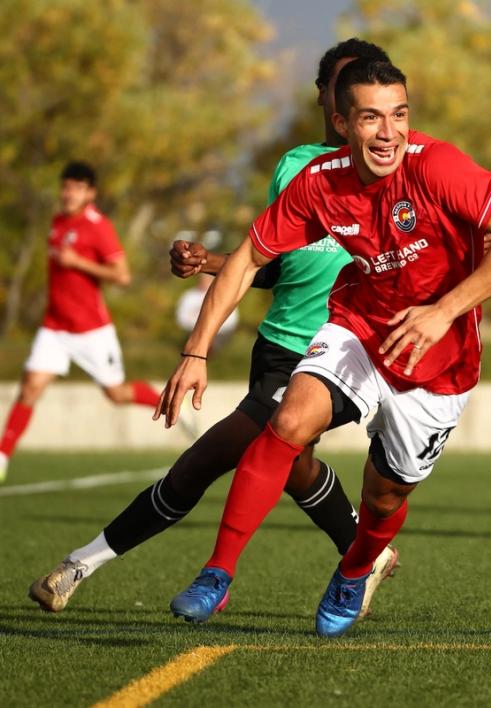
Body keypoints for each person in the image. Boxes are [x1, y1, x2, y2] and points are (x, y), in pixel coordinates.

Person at [157, 58, 491, 638]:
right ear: (342, 122)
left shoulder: (438, 166)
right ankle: (218, 572)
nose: (388, 133)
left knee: (384, 495)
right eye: (371, 118)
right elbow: (247, 258)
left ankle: (356, 568)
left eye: (399, 115)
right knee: (288, 421)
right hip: (359, 327)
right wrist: (196, 351)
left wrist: (444, 310)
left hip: (440, 362)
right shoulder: (320, 181)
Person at [27, 39, 397, 616]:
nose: (354, 103)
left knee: (212, 456)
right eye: (341, 88)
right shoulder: (295, 166)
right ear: (327, 98)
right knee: (294, 467)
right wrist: (210, 265)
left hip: (333, 354)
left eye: (369, 93)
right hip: (277, 346)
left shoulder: (397, 171)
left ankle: (84, 563)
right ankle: (363, 552)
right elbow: (272, 263)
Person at [0, 162, 161, 484]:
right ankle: (2, 456)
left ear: (90, 193)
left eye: (76, 187)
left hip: (91, 330)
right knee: (31, 386)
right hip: (54, 327)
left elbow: (122, 275)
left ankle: (167, 403)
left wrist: (79, 262)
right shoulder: (57, 222)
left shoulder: (98, 226)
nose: (68, 193)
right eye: (65, 187)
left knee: (115, 394)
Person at [176, 274, 239, 352]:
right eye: (204, 279)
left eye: (208, 279)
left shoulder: (224, 296)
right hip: (194, 332)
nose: (205, 282)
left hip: (218, 334)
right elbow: (182, 318)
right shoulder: (189, 296)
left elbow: (231, 321)